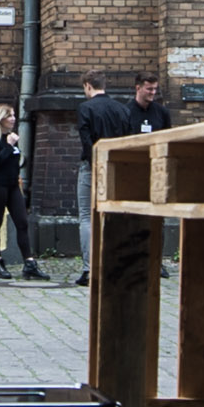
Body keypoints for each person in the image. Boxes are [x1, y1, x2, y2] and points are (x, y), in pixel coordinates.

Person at [0, 102, 46, 280]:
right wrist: (8, 145)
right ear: (0, 119)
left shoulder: (10, 138)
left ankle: (29, 263)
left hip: (12, 185)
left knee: (22, 222)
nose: (13, 119)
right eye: (9, 116)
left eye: (14, 115)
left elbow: (15, 161)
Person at [71, 72, 129, 286]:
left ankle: (89, 269)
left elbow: (86, 142)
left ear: (87, 86)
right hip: (117, 166)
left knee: (87, 216)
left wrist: (94, 162)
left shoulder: (86, 108)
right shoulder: (122, 108)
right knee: (113, 215)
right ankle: (114, 265)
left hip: (92, 166)